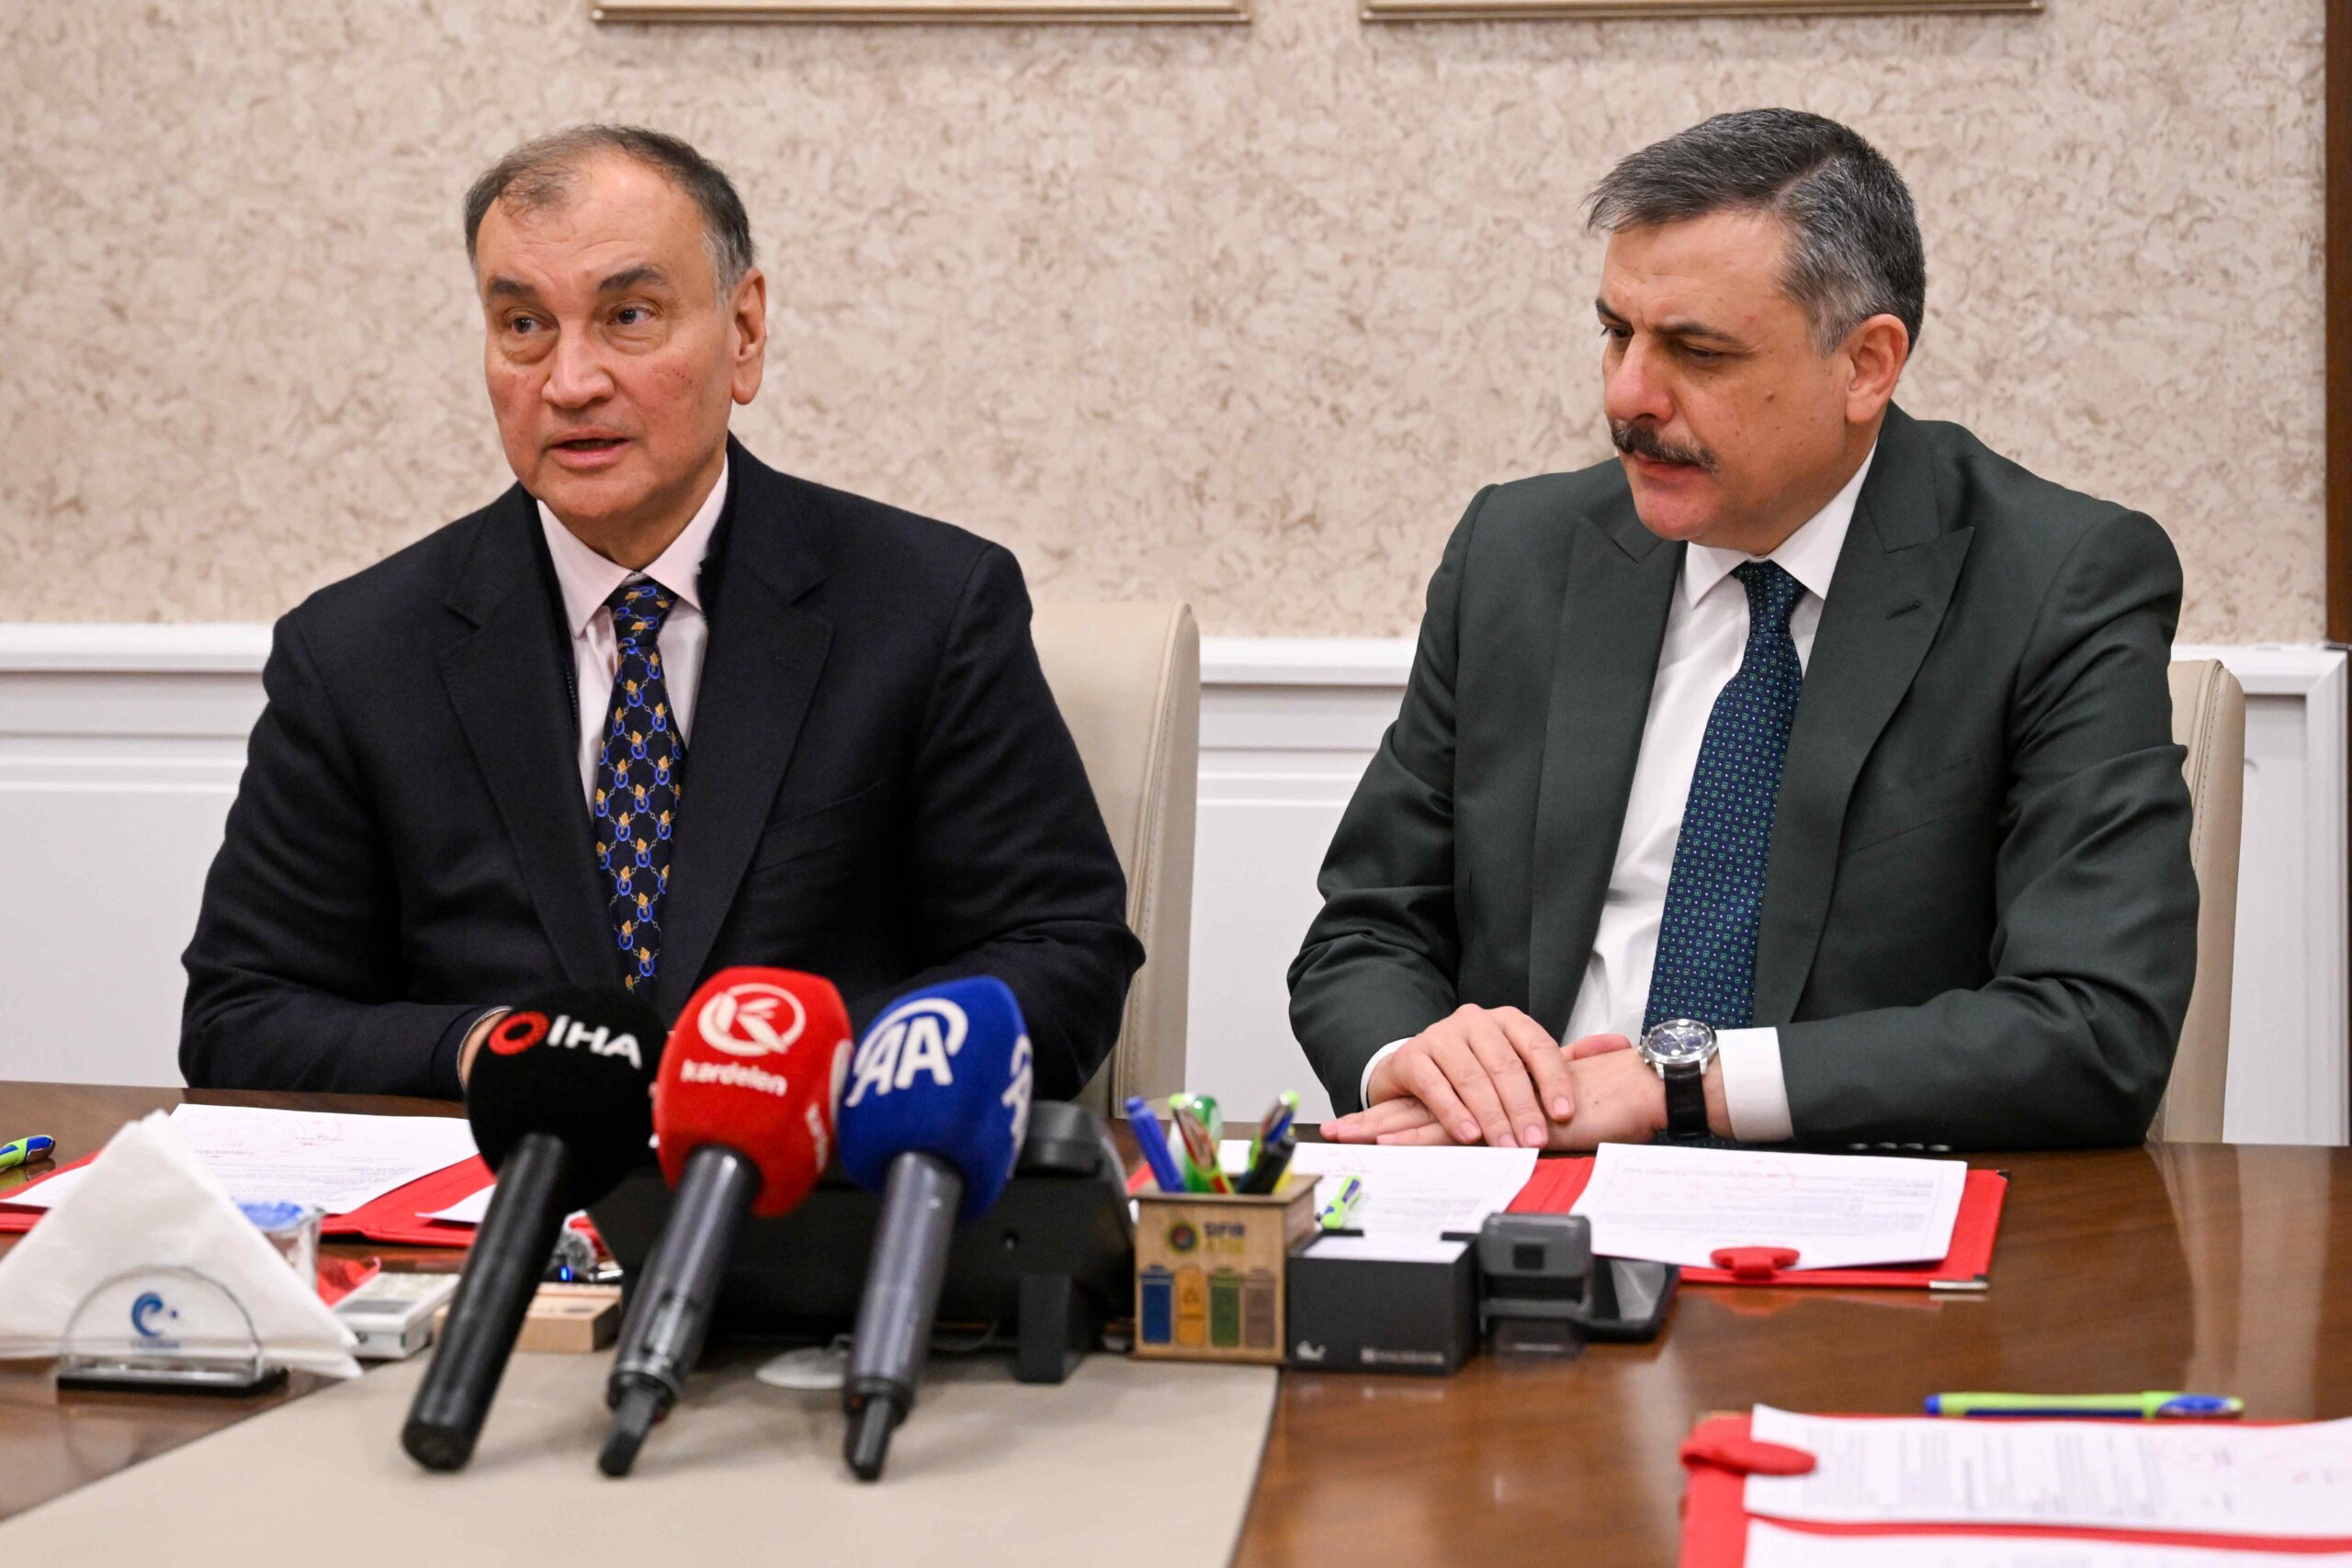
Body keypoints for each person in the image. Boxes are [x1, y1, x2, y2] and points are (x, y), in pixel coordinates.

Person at [1295, 108, 2197, 1153]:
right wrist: (1420, 1057)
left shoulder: (2054, 582)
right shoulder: (1519, 555)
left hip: (1847, 1205)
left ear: (1865, 365)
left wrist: (1679, 1084)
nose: (1629, 395)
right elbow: (1367, 930)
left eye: (1696, 351)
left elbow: (2093, 1025)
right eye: (1616, 333)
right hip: (1520, 1186)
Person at [182, 125, 1141, 1100]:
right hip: (500, 1181)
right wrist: (490, 1051)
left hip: (809, 1172)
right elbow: (241, 1016)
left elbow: (1061, 957)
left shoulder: (927, 607)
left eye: (628, 316)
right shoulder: (356, 654)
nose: (570, 383)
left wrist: (765, 1064)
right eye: (523, 325)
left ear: (744, 333)